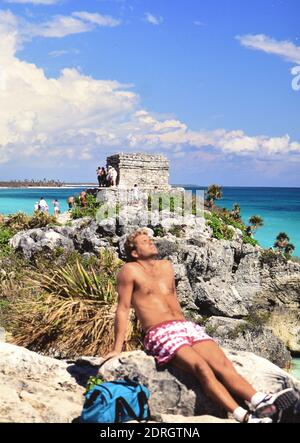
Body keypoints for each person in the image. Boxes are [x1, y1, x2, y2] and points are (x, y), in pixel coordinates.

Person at [103, 227, 296, 423]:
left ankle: (261, 401)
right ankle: (246, 417)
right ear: (135, 252)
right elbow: (123, 309)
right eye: (145, 242)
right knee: (202, 367)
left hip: (185, 327)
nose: (151, 242)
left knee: (222, 364)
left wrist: (185, 325)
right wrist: (117, 349)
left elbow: (172, 299)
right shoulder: (129, 271)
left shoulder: (166, 266)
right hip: (159, 332)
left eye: (150, 239)